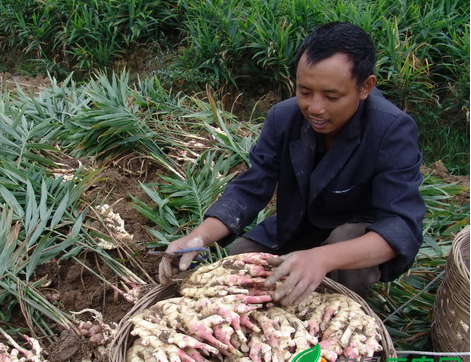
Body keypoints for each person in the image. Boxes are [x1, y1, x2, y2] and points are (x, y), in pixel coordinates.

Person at [158, 22, 425, 305]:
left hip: (358, 237)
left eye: (332, 96)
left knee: (341, 251)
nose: (315, 107)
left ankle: (342, 309)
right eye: (305, 91)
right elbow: (251, 187)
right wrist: (199, 237)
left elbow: (401, 224)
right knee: (238, 260)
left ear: (365, 87)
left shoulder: (391, 129)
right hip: (298, 226)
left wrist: (321, 258)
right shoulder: (284, 117)